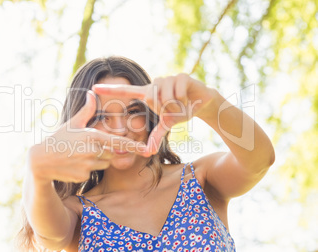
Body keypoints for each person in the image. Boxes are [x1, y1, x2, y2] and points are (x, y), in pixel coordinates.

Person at [17, 56, 275, 252]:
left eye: (132, 112)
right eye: (101, 117)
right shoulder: (78, 213)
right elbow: (49, 235)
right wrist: (36, 170)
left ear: (151, 115)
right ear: (78, 126)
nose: (120, 129)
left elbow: (260, 160)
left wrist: (209, 104)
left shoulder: (200, 178)